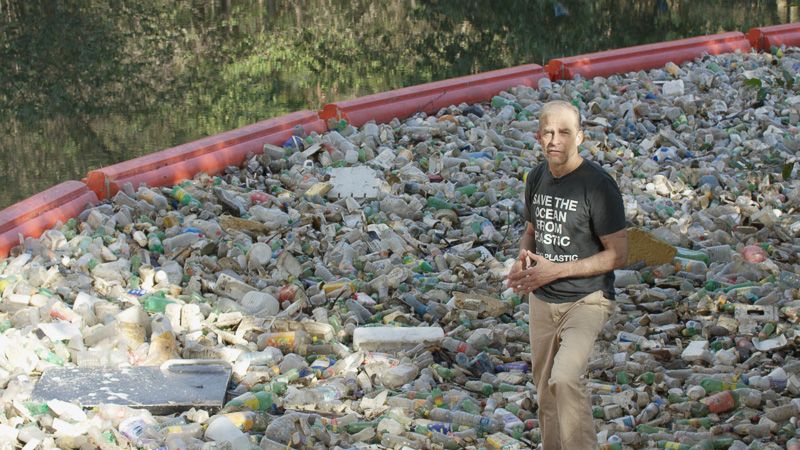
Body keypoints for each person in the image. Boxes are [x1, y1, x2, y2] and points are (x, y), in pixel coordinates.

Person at [505, 100, 628, 449]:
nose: (555, 140)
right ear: (538, 136)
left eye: (564, 132)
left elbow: (619, 254)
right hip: (542, 301)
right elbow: (532, 230)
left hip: (587, 300)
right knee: (544, 393)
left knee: (565, 379)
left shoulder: (598, 186)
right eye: (548, 132)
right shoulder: (537, 177)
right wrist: (523, 260)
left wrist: (556, 270)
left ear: (580, 137)